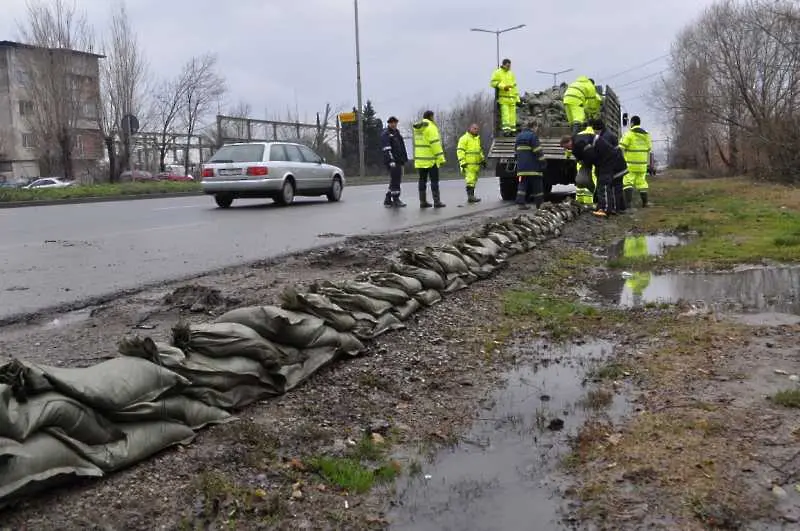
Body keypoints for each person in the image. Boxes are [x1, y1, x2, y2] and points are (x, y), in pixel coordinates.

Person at [560, 127, 628, 218]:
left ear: (569, 141)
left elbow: (590, 154)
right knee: (612, 184)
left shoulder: (579, 142)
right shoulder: (578, 141)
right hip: (607, 160)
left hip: (607, 160)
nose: (567, 149)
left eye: (566, 147)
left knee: (603, 183)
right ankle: (613, 208)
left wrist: (587, 165)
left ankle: (605, 209)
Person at [412, 110, 446, 208]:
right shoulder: (431, 128)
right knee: (434, 181)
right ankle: (437, 201)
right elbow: (435, 144)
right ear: (431, 117)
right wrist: (441, 158)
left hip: (420, 160)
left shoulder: (417, 129)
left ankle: (423, 202)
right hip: (431, 160)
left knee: (422, 180)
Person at [591, 119, 626, 213]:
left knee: (613, 188)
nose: (593, 132)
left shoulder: (605, 137)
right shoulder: (607, 134)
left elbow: (603, 155)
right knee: (616, 188)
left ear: (597, 129)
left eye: (594, 129)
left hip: (616, 167)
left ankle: (613, 209)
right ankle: (620, 208)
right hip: (618, 165)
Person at [619, 115, 653, 208]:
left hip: (630, 164)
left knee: (628, 182)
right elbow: (649, 149)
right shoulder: (646, 135)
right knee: (642, 183)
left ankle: (628, 204)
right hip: (642, 165)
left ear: (632, 123)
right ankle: (645, 203)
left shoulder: (629, 134)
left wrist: (621, 161)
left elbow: (621, 147)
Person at [514, 120, 546, 210]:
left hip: (522, 167)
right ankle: (539, 205)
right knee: (537, 185)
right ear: (534, 126)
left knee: (522, 185)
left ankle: (521, 203)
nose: (537, 129)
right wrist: (543, 162)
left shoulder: (519, 136)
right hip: (533, 167)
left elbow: (516, 151)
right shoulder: (533, 136)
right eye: (537, 127)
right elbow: (537, 151)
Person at [380, 116, 408, 207]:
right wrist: (391, 160)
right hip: (392, 161)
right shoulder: (386, 134)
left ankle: (388, 199)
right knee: (396, 180)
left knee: (395, 180)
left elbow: (401, 147)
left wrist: (404, 159)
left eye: (395, 122)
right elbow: (387, 149)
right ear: (389, 123)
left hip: (398, 160)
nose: (393, 124)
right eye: (391, 123)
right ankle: (396, 199)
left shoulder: (397, 133)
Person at [490, 58, 521, 136]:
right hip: (503, 98)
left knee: (512, 116)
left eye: (510, 66)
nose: (509, 67)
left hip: (512, 98)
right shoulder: (497, 72)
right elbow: (493, 83)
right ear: (503, 65)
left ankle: (513, 131)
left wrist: (518, 99)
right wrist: (503, 87)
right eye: (507, 65)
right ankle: (506, 131)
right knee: (505, 115)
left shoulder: (511, 74)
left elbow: (514, 87)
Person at [457, 123, 486, 204]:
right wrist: (462, 162)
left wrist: (482, 160)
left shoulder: (477, 139)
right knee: (470, 180)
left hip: (476, 164)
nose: (476, 130)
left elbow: (479, 151)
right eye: (474, 128)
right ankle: (470, 197)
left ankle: (471, 196)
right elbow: (460, 151)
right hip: (468, 164)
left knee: (473, 180)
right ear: (470, 129)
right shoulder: (464, 138)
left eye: (477, 129)